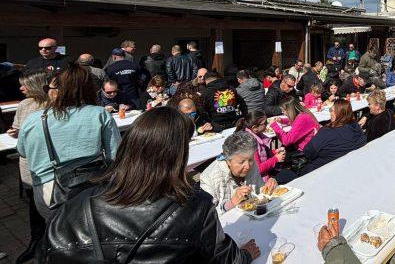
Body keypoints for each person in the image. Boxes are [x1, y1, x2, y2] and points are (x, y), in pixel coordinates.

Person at [40, 107, 260, 263]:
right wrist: (246, 254)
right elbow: (226, 259)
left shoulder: (75, 204)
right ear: (178, 156)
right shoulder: (195, 207)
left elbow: (47, 253)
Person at [16, 63, 121, 220]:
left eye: (47, 89)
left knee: (58, 235)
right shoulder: (99, 114)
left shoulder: (33, 120)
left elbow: (22, 152)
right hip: (92, 188)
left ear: (57, 92)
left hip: (49, 193)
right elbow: (115, 155)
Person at [6, 70, 48, 262]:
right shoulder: (24, 104)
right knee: (33, 204)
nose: (21, 88)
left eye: (25, 85)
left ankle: (54, 240)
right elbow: (18, 128)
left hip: (47, 161)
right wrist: (14, 132)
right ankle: (36, 241)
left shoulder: (53, 104)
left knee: (50, 202)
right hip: (28, 162)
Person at [199, 131, 277, 215]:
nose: (247, 166)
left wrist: (268, 189)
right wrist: (232, 203)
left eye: (250, 159)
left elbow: (260, 195)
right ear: (228, 161)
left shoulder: (251, 165)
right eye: (241, 162)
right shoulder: (209, 177)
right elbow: (206, 216)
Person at [301, 100, 366, 174]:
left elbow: (308, 152)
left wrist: (316, 137)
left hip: (324, 170)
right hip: (350, 165)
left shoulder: (326, 132)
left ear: (338, 113)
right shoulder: (355, 126)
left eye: (331, 110)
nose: (330, 113)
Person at [235, 111, 295, 182]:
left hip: (267, 171)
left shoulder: (259, 134)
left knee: (290, 172)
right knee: (291, 176)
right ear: (254, 128)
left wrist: (277, 150)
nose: (267, 124)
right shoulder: (250, 143)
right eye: (265, 123)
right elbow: (258, 169)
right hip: (259, 179)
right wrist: (276, 158)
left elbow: (270, 145)